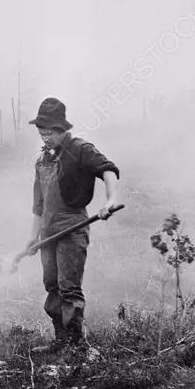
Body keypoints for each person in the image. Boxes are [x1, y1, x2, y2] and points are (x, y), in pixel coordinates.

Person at [17, 97, 121, 355]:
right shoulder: (41, 161)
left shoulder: (80, 148)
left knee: (69, 287)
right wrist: (32, 237)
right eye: (42, 133)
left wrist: (111, 201)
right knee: (51, 285)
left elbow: (107, 170)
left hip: (73, 230)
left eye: (50, 133)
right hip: (48, 233)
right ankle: (61, 340)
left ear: (62, 129)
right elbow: (38, 206)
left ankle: (76, 347)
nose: (45, 138)